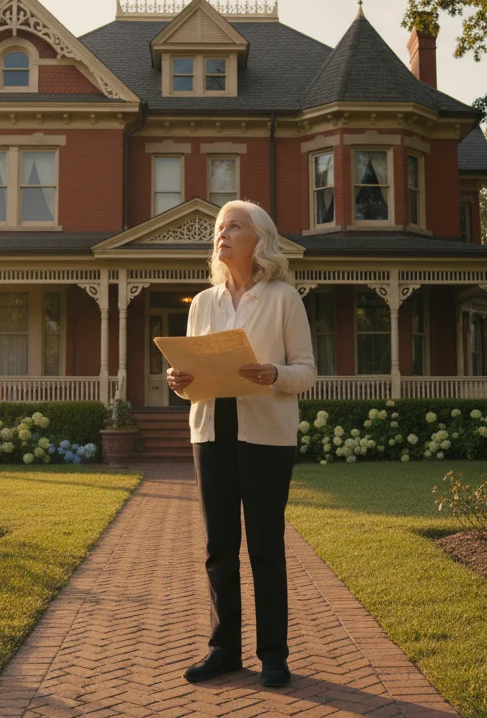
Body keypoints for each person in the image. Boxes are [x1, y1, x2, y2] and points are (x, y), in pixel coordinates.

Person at [167, 199, 316, 688]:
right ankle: (223, 650)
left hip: (266, 436)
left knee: (266, 547)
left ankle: (274, 655)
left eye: (233, 226)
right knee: (219, 547)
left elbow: (307, 372)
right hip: (211, 431)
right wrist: (180, 380)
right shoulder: (205, 303)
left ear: (259, 239)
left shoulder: (283, 299)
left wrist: (273, 373)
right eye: (218, 228)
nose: (222, 234)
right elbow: (192, 377)